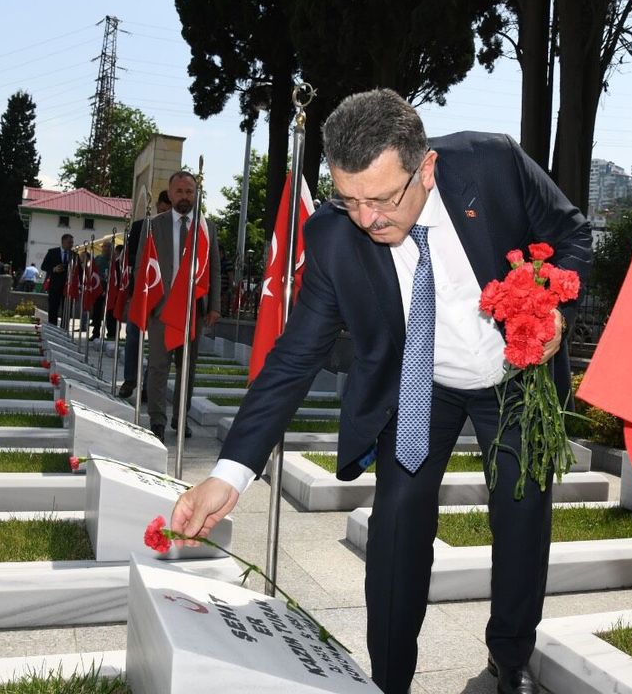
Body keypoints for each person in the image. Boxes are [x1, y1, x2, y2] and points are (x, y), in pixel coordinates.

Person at [169, 90, 590, 694]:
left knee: (522, 513)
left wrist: (553, 311)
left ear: (426, 168)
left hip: (512, 374)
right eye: (350, 199)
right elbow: (293, 359)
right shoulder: (334, 237)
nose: (367, 219)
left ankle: (510, 657)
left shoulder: (493, 164)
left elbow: (573, 235)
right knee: (397, 520)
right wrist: (228, 475)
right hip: (421, 382)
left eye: (382, 199)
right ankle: (389, 678)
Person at [141, 172, 222, 441]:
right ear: (170, 193)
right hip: (161, 308)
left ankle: (180, 418)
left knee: (186, 367)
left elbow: (214, 269)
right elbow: (142, 267)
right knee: (158, 367)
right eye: (180, 191)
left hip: (192, 310)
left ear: (195, 194)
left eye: (189, 192)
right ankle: (157, 420)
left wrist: (214, 306)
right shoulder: (154, 225)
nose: (185, 196)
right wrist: (143, 303)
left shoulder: (206, 228)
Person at [117, 189, 171, 400]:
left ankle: (149, 385)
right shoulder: (141, 226)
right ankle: (130, 379)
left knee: (159, 344)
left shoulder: (177, 229)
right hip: (141, 289)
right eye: (163, 208)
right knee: (133, 336)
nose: (165, 213)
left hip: (165, 294)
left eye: (169, 210)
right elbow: (130, 257)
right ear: (158, 206)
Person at [40, 234, 75, 325]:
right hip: (54, 286)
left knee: (67, 310)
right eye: (69, 242)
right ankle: (52, 328)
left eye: (72, 242)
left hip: (68, 287)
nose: (71, 245)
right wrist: (54, 269)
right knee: (53, 308)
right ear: (63, 242)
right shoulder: (52, 252)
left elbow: (78, 270)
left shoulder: (74, 255)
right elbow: (43, 266)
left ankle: (64, 329)